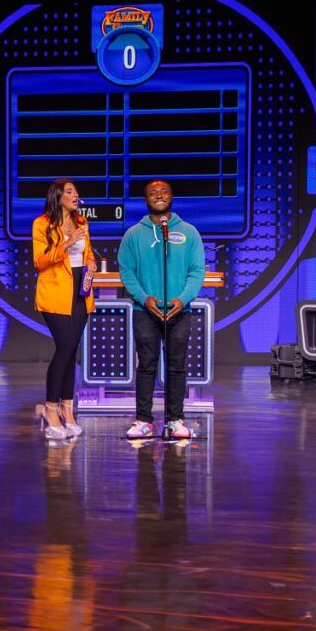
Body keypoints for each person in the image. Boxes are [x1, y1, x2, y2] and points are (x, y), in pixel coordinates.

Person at [117, 180, 205, 439]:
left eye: (164, 191)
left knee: (177, 367)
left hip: (179, 311)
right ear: (146, 200)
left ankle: (175, 420)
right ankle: (143, 421)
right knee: (146, 366)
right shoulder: (133, 234)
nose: (159, 196)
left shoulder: (189, 232)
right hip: (146, 311)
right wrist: (144, 299)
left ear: (172, 196)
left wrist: (183, 298)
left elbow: (197, 271)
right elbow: (127, 271)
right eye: (152, 193)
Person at [32, 178, 96, 440]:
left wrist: (91, 262)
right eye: (69, 191)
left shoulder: (82, 222)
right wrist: (66, 245)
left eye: (76, 192)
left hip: (80, 292)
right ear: (58, 197)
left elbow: (88, 252)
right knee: (65, 347)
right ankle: (49, 409)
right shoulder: (42, 223)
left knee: (72, 353)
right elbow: (39, 261)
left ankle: (67, 411)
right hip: (55, 292)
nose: (75, 195)